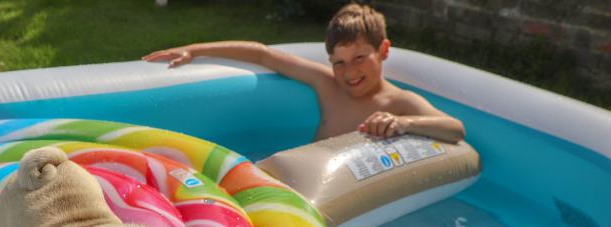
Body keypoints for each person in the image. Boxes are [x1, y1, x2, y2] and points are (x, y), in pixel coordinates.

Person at [142, 3, 465, 143]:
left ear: (383, 50)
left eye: (359, 57)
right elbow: (262, 54)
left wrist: (404, 123)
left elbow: (454, 129)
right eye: (338, 62)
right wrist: (195, 51)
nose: (348, 71)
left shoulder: (399, 102)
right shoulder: (327, 84)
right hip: (301, 175)